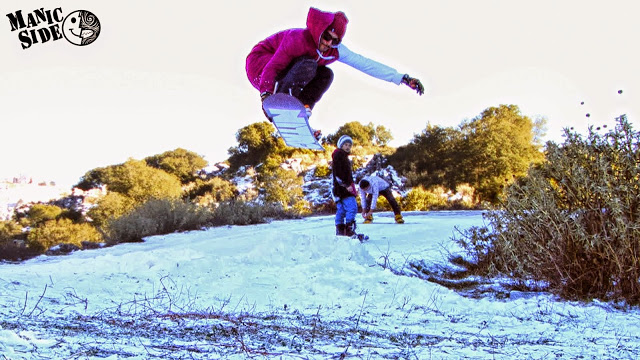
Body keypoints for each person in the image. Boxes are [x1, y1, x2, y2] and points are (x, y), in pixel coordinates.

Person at [245, 7, 424, 126]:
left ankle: (301, 108)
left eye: (335, 40)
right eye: (326, 37)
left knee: (326, 74)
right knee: (308, 64)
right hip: (260, 64)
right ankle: (283, 99)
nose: (328, 44)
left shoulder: (336, 51)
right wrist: (266, 97)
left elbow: (366, 64)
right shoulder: (297, 39)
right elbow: (273, 67)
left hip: (290, 72)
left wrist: (402, 78)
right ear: (319, 32)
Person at [332, 135, 358, 236]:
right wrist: (346, 185)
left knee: (342, 209)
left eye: (349, 145)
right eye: (345, 145)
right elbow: (338, 173)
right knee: (352, 207)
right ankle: (348, 230)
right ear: (341, 145)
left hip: (338, 189)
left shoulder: (339, 155)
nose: (348, 147)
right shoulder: (340, 156)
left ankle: (340, 230)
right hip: (343, 189)